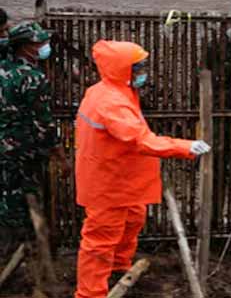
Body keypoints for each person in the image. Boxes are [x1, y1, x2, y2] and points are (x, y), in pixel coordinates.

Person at [75, 40, 211, 298]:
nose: (143, 72)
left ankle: (119, 267)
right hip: (109, 183)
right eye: (137, 68)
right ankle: (90, 294)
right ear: (122, 69)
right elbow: (141, 140)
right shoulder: (111, 103)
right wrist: (186, 147)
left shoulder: (112, 91)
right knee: (100, 242)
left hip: (121, 177)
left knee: (132, 222)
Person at [0, 22, 67, 268]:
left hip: (4, 148)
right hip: (22, 150)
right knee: (24, 200)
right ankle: (22, 254)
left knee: (5, 197)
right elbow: (44, 123)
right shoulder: (33, 78)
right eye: (39, 42)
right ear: (26, 47)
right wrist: (59, 154)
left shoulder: (3, 69)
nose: (43, 46)